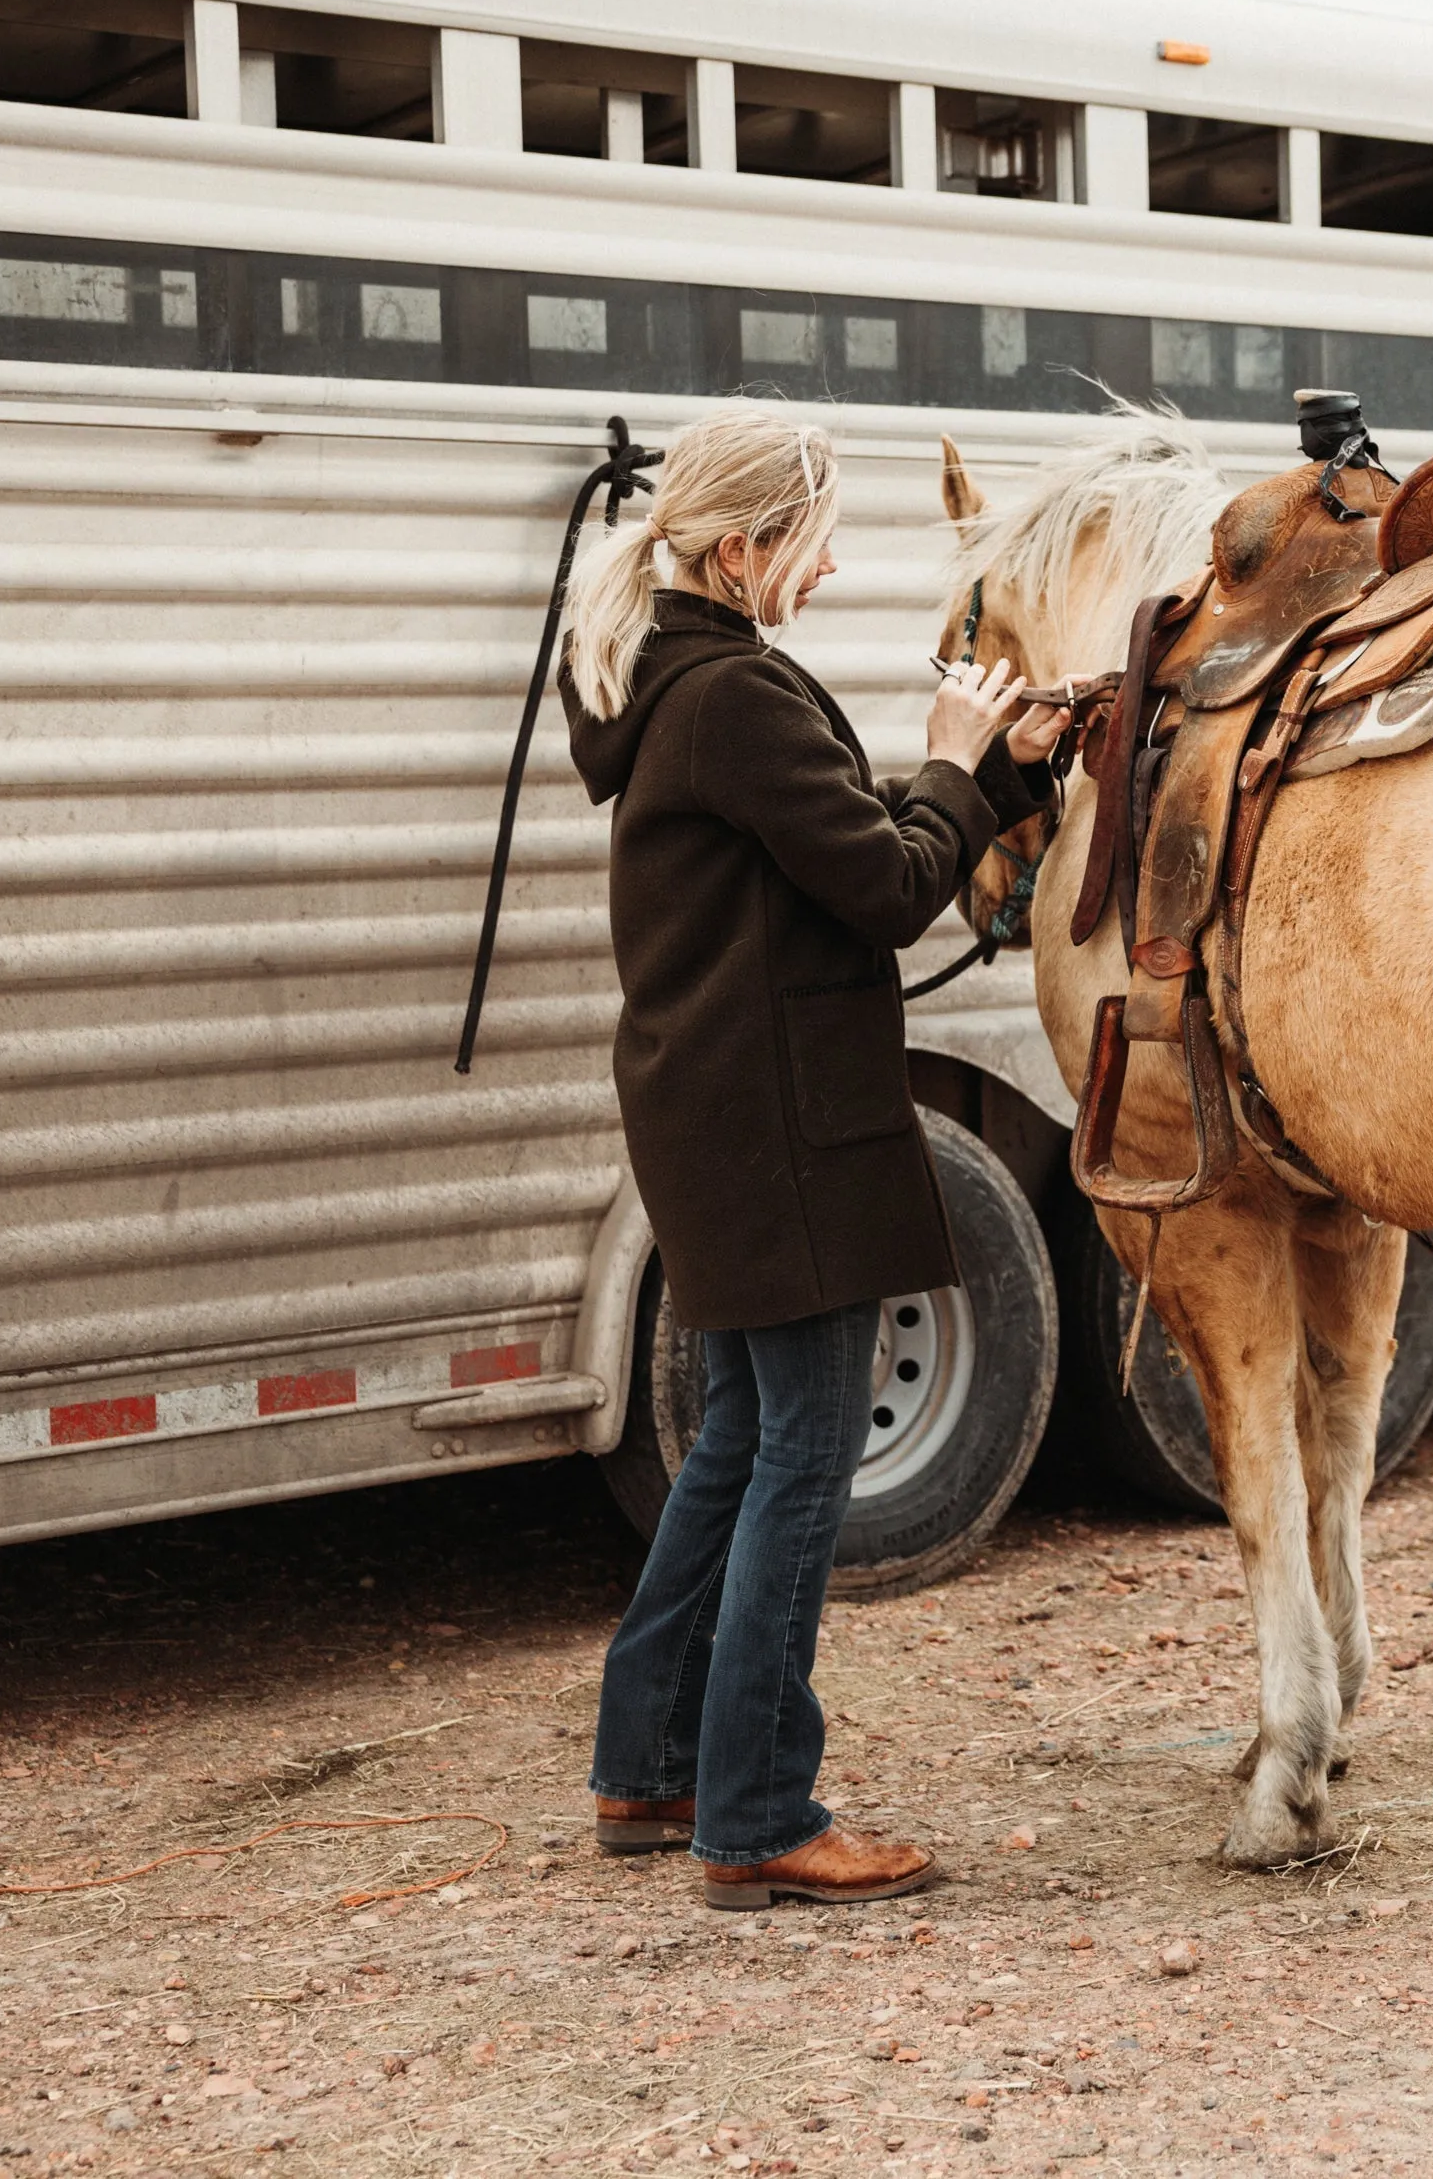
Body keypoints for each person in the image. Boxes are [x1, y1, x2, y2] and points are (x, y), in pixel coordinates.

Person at [560, 408, 1064, 1909]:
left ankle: (649, 1762)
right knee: (802, 1455)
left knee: (735, 1444)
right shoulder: (737, 699)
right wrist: (957, 758)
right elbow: (891, 881)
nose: (832, 566)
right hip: (783, 1130)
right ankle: (760, 1809)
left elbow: (847, 854)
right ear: (740, 549)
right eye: (816, 538)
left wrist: (1004, 773)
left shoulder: (672, 685)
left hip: (718, 1118)